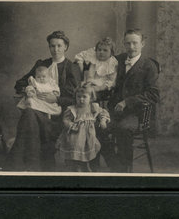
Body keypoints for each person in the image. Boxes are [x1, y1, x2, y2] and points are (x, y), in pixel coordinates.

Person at [10, 31, 81, 171]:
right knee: (30, 113)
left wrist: (56, 98)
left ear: (66, 47)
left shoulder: (71, 67)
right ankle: (31, 163)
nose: (56, 50)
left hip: (58, 113)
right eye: (52, 46)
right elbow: (20, 82)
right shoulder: (42, 64)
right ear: (49, 47)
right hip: (37, 109)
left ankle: (20, 162)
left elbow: (76, 97)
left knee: (29, 115)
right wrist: (27, 89)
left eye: (59, 46)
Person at [107, 29, 160, 172]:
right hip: (114, 110)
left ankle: (123, 171)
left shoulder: (149, 66)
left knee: (123, 129)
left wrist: (127, 102)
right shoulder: (117, 60)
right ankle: (114, 165)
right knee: (96, 125)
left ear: (142, 44)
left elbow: (153, 94)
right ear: (124, 44)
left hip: (136, 113)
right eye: (128, 43)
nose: (131, 47)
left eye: (135, 43)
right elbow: (99, 64)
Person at [56, 83, 110, 172]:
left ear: (91, 98)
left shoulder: (93, 107)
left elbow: (102, 113)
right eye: (79, 97)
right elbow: (66, 119)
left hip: (89, 134)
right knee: (75, 145)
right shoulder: (72, 109)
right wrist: (69, 124)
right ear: (75, 97)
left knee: (88, 149)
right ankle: (76, 165)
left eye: (84, 97)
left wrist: (103, 121)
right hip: (75, 133)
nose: (81, 99)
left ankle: (85, 165)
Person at [74, 37, 118, 102]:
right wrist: (81, 67)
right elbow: (79, 56)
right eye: (99, 50)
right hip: (89, 83)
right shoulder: (94, 57)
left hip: (103, 88)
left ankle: (91, 108)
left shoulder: (112, 63)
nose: (101, 52)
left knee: (88, 95)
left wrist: (98, 88)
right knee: (78, 92)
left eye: (105, 50)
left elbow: (110, 82)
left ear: (111, 53)